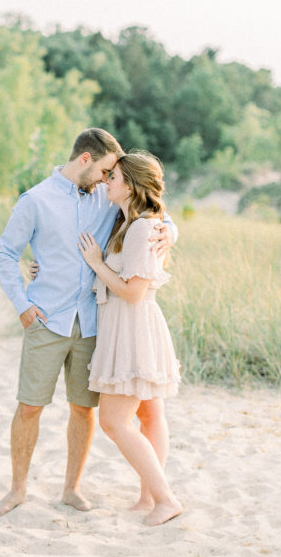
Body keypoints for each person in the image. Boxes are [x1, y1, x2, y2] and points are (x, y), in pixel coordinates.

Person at [0, 129, 175, 518]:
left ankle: (71, 489)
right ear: (86, 160)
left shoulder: (106, 201)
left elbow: (149, 212)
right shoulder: (36, 200)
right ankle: (18, 489)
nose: (110, 180)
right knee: (29, 407)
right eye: (107, 170)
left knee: (83, 410)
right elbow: (7, 253)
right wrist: (22, 304)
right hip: (46, 318)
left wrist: (170, 232)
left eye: (114, 176)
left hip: (94, 323)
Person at [77, 150, 183, 526]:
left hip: (133, 325)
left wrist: (96, 264)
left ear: (132, 186)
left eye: (115, 177)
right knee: (149, 413)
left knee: (113, 421)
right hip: (131, 324)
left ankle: (165, 499)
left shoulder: (140, 229)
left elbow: (134, 291)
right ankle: (148, 498)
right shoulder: (129, 223)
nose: (107, 181)